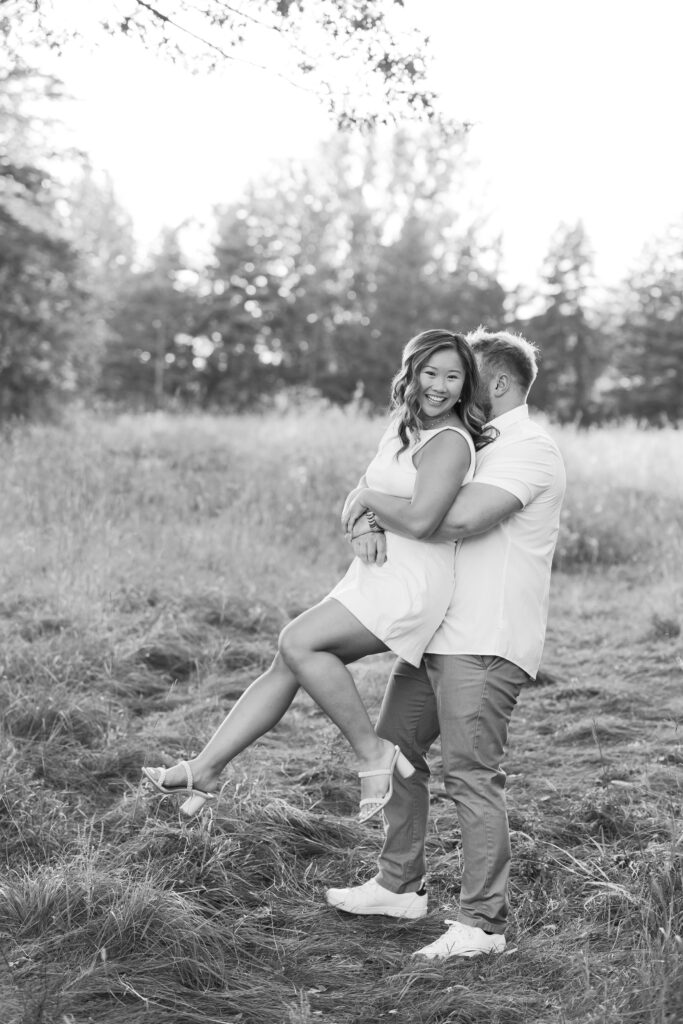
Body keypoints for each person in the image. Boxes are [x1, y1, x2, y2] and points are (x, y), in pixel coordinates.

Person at [142, 329, 494, 822]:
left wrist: (366, 503)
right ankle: (204, 769)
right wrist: (363, 521)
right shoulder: (405, 426)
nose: (439, 386)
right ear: (411, 374)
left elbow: (419, 519)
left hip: (411, 583)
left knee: (298, 642)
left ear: (465, 383)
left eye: (452, 377)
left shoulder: (450, 442)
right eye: (430, 373)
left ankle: (373, 752)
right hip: (375, 574)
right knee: (288, 662)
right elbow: (366, 492)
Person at [325, 328, 566, 960]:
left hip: (485, 637)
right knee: (397, 748)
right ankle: (398, 885)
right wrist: (369, 513)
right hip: (438, 631)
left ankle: (482, 925)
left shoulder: (530, 449)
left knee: (471, 773)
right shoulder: (469, 439)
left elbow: (451, 519)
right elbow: (412, 493)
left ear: (498, 382)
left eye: (466, 375)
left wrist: (369, 500)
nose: (450, 386)